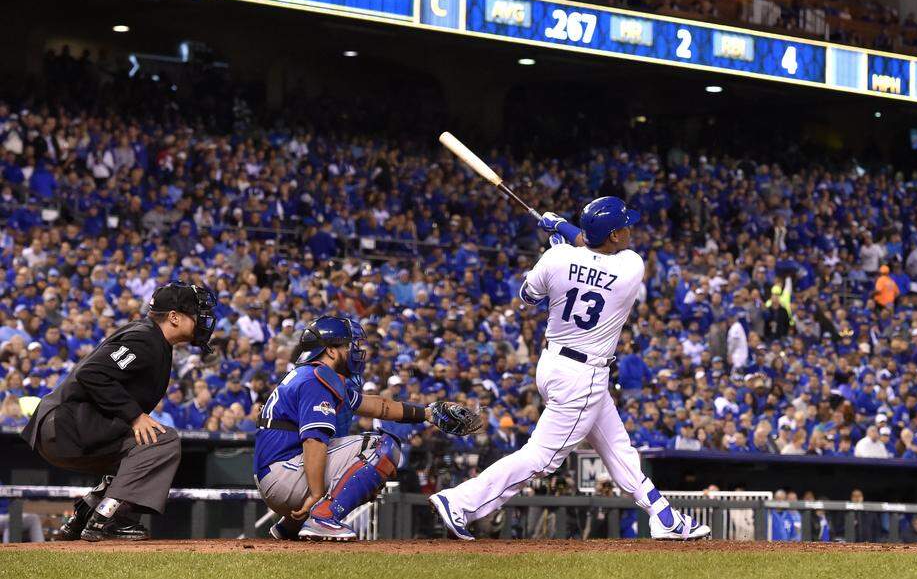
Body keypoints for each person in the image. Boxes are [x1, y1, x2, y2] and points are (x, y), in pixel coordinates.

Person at [429, 197, 710, 541]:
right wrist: (561, 227)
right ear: (614, 236)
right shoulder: (631, 266)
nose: (630, 231)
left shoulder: (558, 257)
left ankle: (665, 517)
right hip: (583, 375)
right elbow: (590, 248)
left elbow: (529, 295)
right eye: (625, 227)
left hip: (553, 364)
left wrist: (557, 242)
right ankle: (460, 502)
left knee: (618, 448)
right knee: (541, 458)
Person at [254, 315, 481, 541]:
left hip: (278, 474)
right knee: (383, 447)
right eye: (347, 345)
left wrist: (427, 413)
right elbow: (313, 441)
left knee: (362, 468)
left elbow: (378, 406)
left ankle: (292, 525)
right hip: (285, 475)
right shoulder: (316, 379)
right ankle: (323, 518)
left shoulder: (309, 375)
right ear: (331, 350)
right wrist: (315, 494)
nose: (353, 350)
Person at [21, 281, 217, 541]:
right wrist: (134, 416)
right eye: (195, 314)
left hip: (68, 426)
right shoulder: (146, 338)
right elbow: (92, 374)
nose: (202, 320)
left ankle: (86, 513)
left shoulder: (154, 339)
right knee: (162, 441)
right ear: (173, 317)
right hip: (64, 424)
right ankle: (110, 518)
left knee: (140, 450)